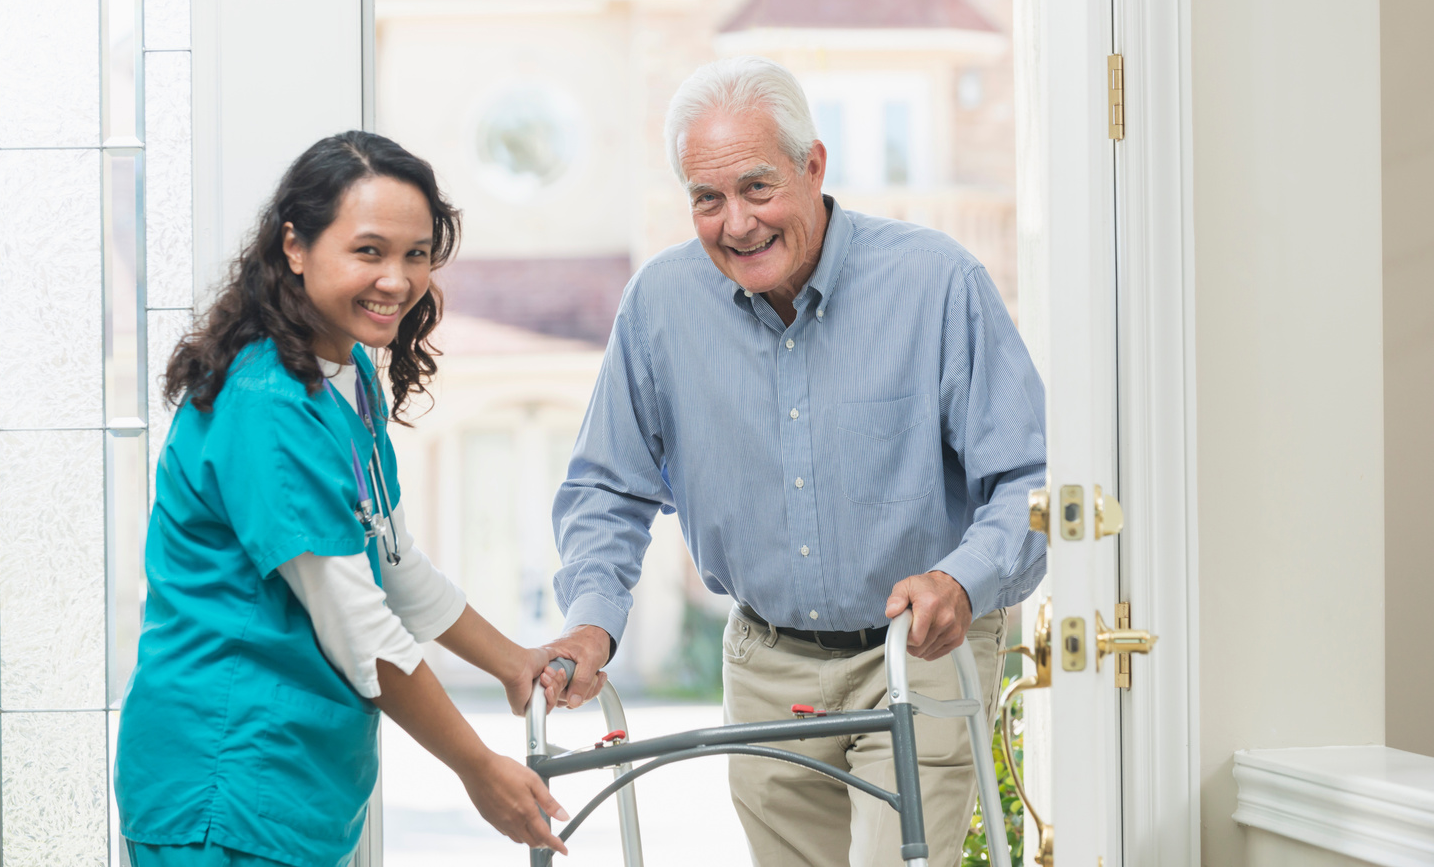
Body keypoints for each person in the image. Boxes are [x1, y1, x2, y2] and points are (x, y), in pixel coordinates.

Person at [544, 57, 1047, 867]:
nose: (736, 223)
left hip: (912, 653)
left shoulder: (936, 282)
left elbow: (1027, 481)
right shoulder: (661, 305)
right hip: (766, 657)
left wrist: (961, 580)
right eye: (707, 199)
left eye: (757, 188)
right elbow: (607, 485)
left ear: (813, 166)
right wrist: (593, 618)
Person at [115, 131, 570, 867]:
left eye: (417, 254)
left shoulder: (342, 373)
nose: (397, 279)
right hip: (224, 779)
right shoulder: (267, 402)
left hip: (292, 785)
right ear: (294, 245)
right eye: (369, 251)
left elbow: (390, 561)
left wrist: (513, 661)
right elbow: (361, 625)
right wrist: (478, 768)